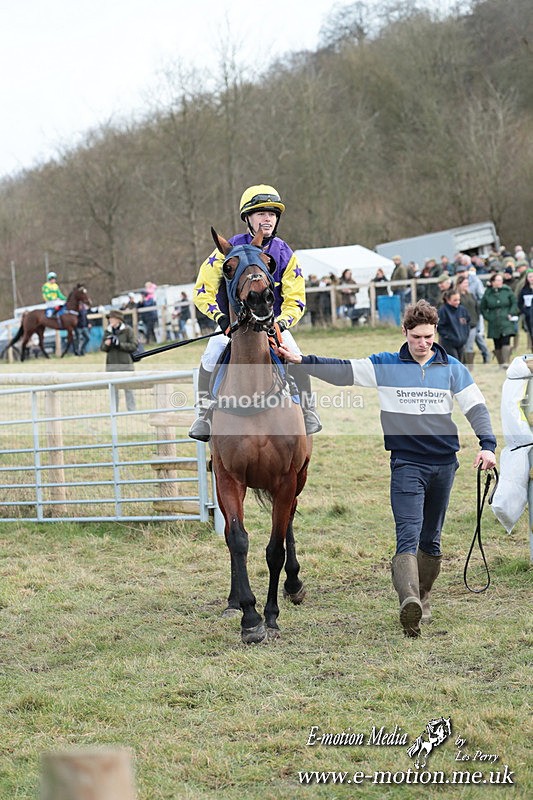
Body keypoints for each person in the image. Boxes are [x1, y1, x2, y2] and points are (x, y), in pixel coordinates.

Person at [277, 299, 496, 638]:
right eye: (416, 337)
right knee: (407, 536)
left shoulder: (453, 367)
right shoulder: (385, 365)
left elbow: (476, 407)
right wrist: (303, 361)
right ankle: (409, 601)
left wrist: (487, 445)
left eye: (428, 337)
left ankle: (423, 597)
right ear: (405, 332)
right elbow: (343, 370)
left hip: (444, 465)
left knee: (432, 540)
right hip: (407, 463)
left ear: (435, 332)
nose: (423, 343)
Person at [188, 183, 322, 441]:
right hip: (233, 325)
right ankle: (204, 414)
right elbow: (202, 290)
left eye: (272, 214)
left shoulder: (284, 252)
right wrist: (221, 318)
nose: (267, 218)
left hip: (272, 324)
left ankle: (307, 409)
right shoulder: (227, 250)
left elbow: (297, 298)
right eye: (261, 213)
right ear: (247, 218)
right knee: (211, 354)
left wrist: (281, 324)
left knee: (296, 356)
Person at [100, 309, 138, 411]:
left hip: (126, 363)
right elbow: (102, 348)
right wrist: (107, 344)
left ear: (118, 319)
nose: (110, 320)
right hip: (112, 364)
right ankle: (114, 411)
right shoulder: (107, 331)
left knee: (129, 388)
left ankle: (132, 410)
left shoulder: (128, 330)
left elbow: (134, 345)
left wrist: (119, 344)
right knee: (113, 390)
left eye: (112, 318)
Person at [480, 272, 519, 368]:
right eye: (497, 280)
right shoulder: (488, 293)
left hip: (506, 319)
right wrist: (488, 317)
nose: (500, 282)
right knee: (497, 342)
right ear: (492, 282)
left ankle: (506, 362)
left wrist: (511, 313)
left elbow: (514, 303)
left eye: (501, 280)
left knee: (506, 340)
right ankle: (500, 364)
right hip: (494, 321)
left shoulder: (507, 290)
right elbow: (483, 307)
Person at [437, 288, 470, 361]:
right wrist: (448, 337)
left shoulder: (463, 310)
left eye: (459, 300)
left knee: (461, 364)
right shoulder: (443, 310)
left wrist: (465, 336)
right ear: (448, 300)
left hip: (461, 343)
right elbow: (440, 327)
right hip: (449, 343)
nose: (458, 302)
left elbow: (467, 323)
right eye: (455, 300)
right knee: (454, 363)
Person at [456, 275, 480, 368]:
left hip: (472, 323)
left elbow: (477, 307)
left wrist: (477, 318)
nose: (466, 285)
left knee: (470, 345)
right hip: (461, 325)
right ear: (459, 284)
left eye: (467, 283)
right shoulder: (457, 296)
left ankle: (470, 366)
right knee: (463, 345)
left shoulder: (471, 295)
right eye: (464, 283)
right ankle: (462, 364)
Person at [517, 269, 533, 349]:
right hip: (529, 316)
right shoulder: (524, 290)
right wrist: (524, 311)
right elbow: (519, 303)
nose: (532, 278)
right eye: (530, 277)